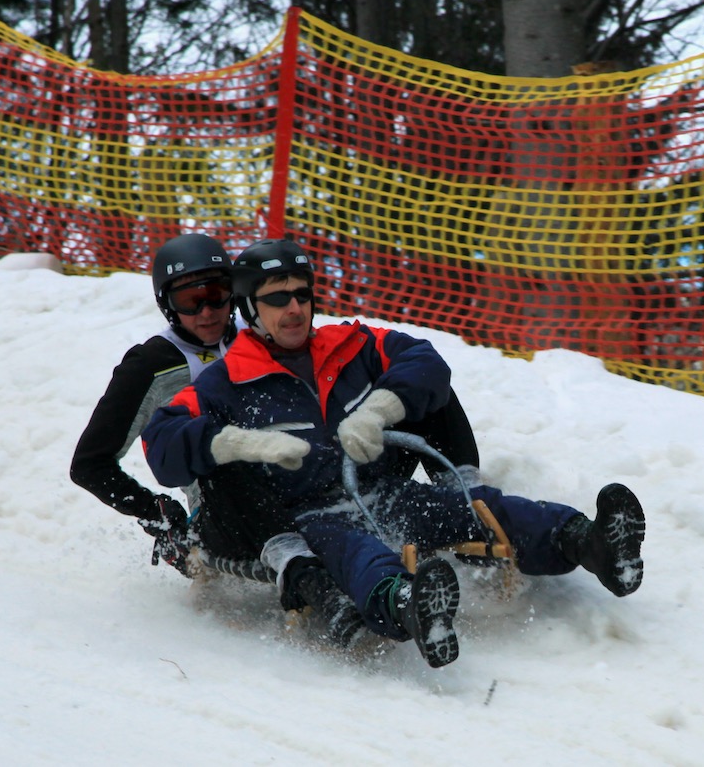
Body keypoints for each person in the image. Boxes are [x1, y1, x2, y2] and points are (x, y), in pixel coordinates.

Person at [142, 238, 646, 669]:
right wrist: (240, 442)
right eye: (277, 299)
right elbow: (162, 441)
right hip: (310, 516)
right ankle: (407, 605)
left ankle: (587, 542)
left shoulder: (352, 344)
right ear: (251, 310)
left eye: (301, 295)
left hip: (381, 491)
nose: (294, 308)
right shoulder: (226, 381)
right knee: (356, 551)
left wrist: (378, 410)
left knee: (476, 506)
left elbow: (425, 362)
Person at [71, 233, 480, 649]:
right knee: (232, 452)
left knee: (420, 380)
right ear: (167, 304)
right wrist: (160, 516)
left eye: (217, 295)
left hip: (324, 474)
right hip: (237, 509)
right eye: (190, 301)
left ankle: (469, 503)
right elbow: (90, 464)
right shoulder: (151, 366)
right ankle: (310, 576)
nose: (207, 311)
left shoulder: (267, 330)